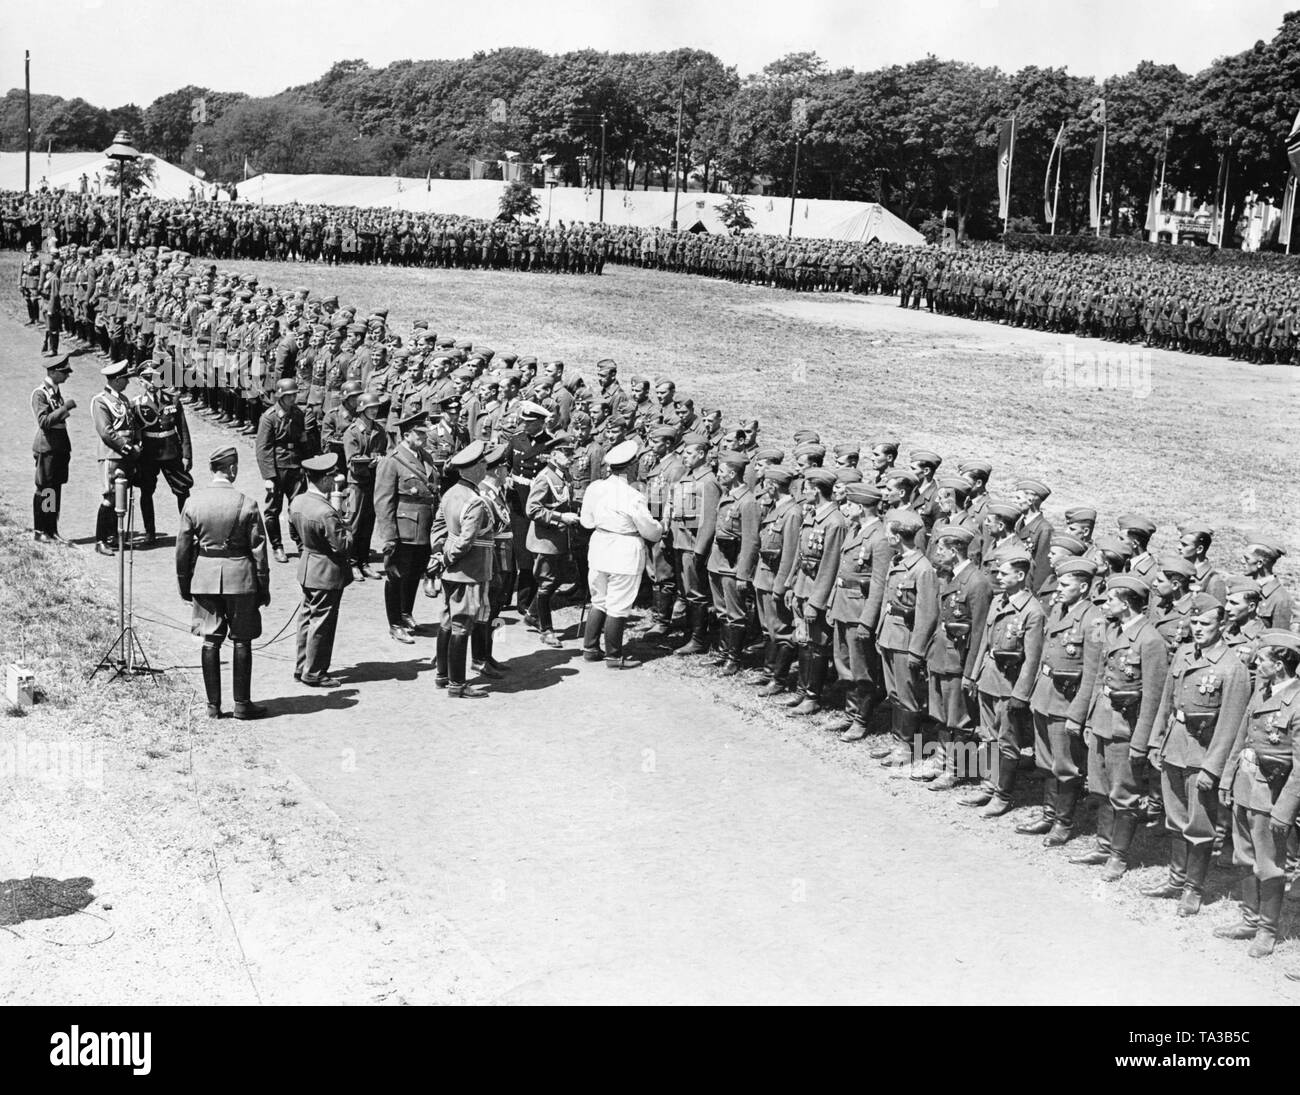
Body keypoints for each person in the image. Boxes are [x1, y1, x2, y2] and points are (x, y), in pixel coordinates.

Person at [1143, 594, 1251, 915]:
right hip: (1174, 747)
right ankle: (1176, 878)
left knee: (1200, 824)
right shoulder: (1184, 655)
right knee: (1175, 818)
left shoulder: (1232, 668)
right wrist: (1155, 741)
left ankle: (1193, 888)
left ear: (1223, 625)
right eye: (1195, 622)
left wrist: (1212, 769)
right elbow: (1166, 701)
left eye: (1206, 623)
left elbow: (1230, 727)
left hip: (1202, 755)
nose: (1199, 628)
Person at [1068, 575, 1169, 881]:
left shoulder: (1150, 640)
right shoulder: (1113, 630)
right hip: (1102, 721)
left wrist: (1142, 742)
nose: (1105, 603)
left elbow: (1153, 698)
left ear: (1125, 604)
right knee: (1099, 788)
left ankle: (1118, 855)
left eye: (1110, 599)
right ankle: (1102, 844)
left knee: (1122, 793)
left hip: (1127, 729)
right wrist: (1088, 720)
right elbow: (1098, 678)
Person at [1215, 631, 1300, 958]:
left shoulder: (1296, 702)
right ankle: (1250, 919)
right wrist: (1227, 779)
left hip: (1271, 796)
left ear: (1279, 665)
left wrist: (1284, 810)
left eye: (1262, 659)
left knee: (1270, 865)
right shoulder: (1260, 692)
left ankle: (1267, 929)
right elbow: (1241, 739)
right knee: (1244, 857)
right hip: (1244, 787)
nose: (1255, 662)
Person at [176, 444, 269, 720]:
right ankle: (242, 704)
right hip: (240, 580)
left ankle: (213, 706)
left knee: (210, 641)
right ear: (232, 469)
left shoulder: (193, 502)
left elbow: (182, 550)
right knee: (242, 641)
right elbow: (259, 553)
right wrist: (262, 588)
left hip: (204, 579)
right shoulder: (247, 503)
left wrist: (185, 585)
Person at [579, 438, 664, 668]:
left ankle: (590, 647)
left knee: (599, 600)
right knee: (618, 604)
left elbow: (586, 522)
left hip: (599, 548)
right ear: (629, 466)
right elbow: (651, 532)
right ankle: (614, 656)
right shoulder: (632, 496)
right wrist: (661, 526)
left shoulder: (595, 488)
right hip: (624, 552)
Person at [431, 441, 495, 697]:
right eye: (483, 464)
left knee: (447, 619)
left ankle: (442, 674)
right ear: (475, 468)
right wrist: (448, 558)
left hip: (449, 569)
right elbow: (467, 541)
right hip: (467, 570)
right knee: (462, 624)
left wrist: (438, 555)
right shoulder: (475, 500)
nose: (485, 468)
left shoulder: (450, 494)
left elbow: (437, 529)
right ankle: (457, 684)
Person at [288, 452, 353, 688]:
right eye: (331, 477)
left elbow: (294, 534)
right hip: (326, 572)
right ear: (324, 480)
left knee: (307, 618)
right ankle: (314, 672)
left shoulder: (297, 502)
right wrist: (346, 523)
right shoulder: (325, 511)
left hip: (307, 567)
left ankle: (302, 666)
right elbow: (343, 545)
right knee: (322, 623)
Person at [373, 412, 437, 644]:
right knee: (396, 576)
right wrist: (389, 536)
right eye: (419, 433)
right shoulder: (392, 461)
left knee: (414, 574)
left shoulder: (425, 456)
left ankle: (406, 613)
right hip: (403, 529)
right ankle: (395, 624)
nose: (424, 437)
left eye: (425, 433)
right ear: (406, 434)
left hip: (424, 528)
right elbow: (383, 502)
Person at [255, 377, 318, 563]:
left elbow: (303, 441)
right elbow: (263, 449)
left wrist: (308, 465)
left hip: (296, 466)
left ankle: (301, 544)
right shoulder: (269, 417)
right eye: (289, 396)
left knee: (298, 507)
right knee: (273, 510)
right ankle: (277, 546)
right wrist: (268, 476)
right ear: (280, 396)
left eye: (294, 395)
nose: (292, 398)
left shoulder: (298, 414)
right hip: (277, 467)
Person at [525, 436, 580, 648]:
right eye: (566, 453)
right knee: (547, 583)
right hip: (545, 539)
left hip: (560, 538)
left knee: (559, 578)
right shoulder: (544, 477)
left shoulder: (563, 475)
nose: (570, 457)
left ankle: (532, 612)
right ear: (554, 455)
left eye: (571, 453)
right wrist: (560, 518)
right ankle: (547, 630)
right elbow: (532, 509)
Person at [132, 364, 193, 544]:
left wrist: (187, 455)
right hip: (149, 453)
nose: (152, 383)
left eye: (155, 378)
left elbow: (183, 429)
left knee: (182, 490)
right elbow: (135, 432)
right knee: (146, 490)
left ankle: (187, 530)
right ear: (141, 381)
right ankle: (150, 531)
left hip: (171, 451)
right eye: (147, 379)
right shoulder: (135, 404)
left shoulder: (172, 400)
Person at [90, 359, 142, 556]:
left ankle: (115, 536)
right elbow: (106, 432)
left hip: (126, 456)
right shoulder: (101, 401)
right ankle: (101, 540)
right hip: (112, 455)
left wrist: (137, 443)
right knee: (110, 497)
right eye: (125, 379)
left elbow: (133, 426)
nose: (128, 382)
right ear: (117, 380)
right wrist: (129, 448)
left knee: (121, 496)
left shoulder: (124, 400)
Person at [341, 392, 389, 581]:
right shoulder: (352, 431)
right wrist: (372, 461)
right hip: (356, 483)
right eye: (371, 408)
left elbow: (384, 451)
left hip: (373, 482)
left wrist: (380, 460)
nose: (375, 411)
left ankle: (363, 561)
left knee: (368, 522)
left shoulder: (379, 430)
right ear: (362, 409)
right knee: (354, 523)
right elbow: (351, 460)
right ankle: (351, 563)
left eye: (376, 408)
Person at [31, 353, 76, 544]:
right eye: (64, 372)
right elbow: (44, 421)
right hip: (47, 447)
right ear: (53, 371)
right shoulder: (40, 393)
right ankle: (41, 529)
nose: (67, 375)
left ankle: (52, 528)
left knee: (55, 489)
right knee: (45, 489)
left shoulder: (55, 391)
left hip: (59, 447)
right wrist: (65, 408)